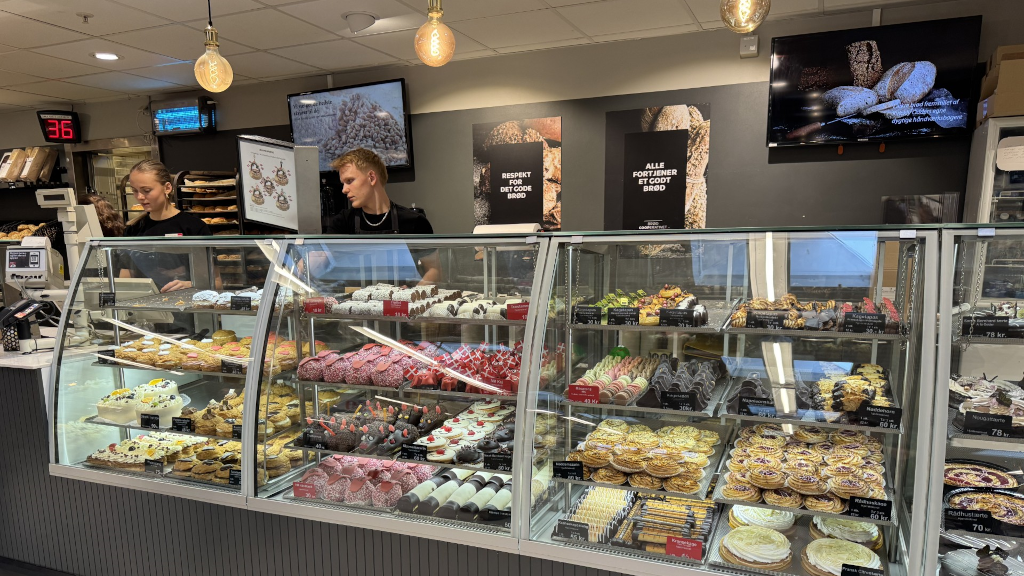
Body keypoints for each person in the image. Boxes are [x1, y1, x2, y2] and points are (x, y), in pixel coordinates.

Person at [322, 149, 439, 283]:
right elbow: (319, 258)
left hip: (401, 303)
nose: (344, 189)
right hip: (355, 303)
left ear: (371, 178)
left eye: (349, 181)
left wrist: (413, 295)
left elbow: (434, 270)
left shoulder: (415, 222)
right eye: (343, 183)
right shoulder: (342, 222)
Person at [118, 159, 218, 293]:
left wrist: (190, 284)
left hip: (186, 307)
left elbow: (216, 282)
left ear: (167, 188)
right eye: (134, 191)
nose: (140, 197)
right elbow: (125, 282)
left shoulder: (193, 227)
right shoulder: (133, 230)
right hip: (146, 309)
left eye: (146, 190)